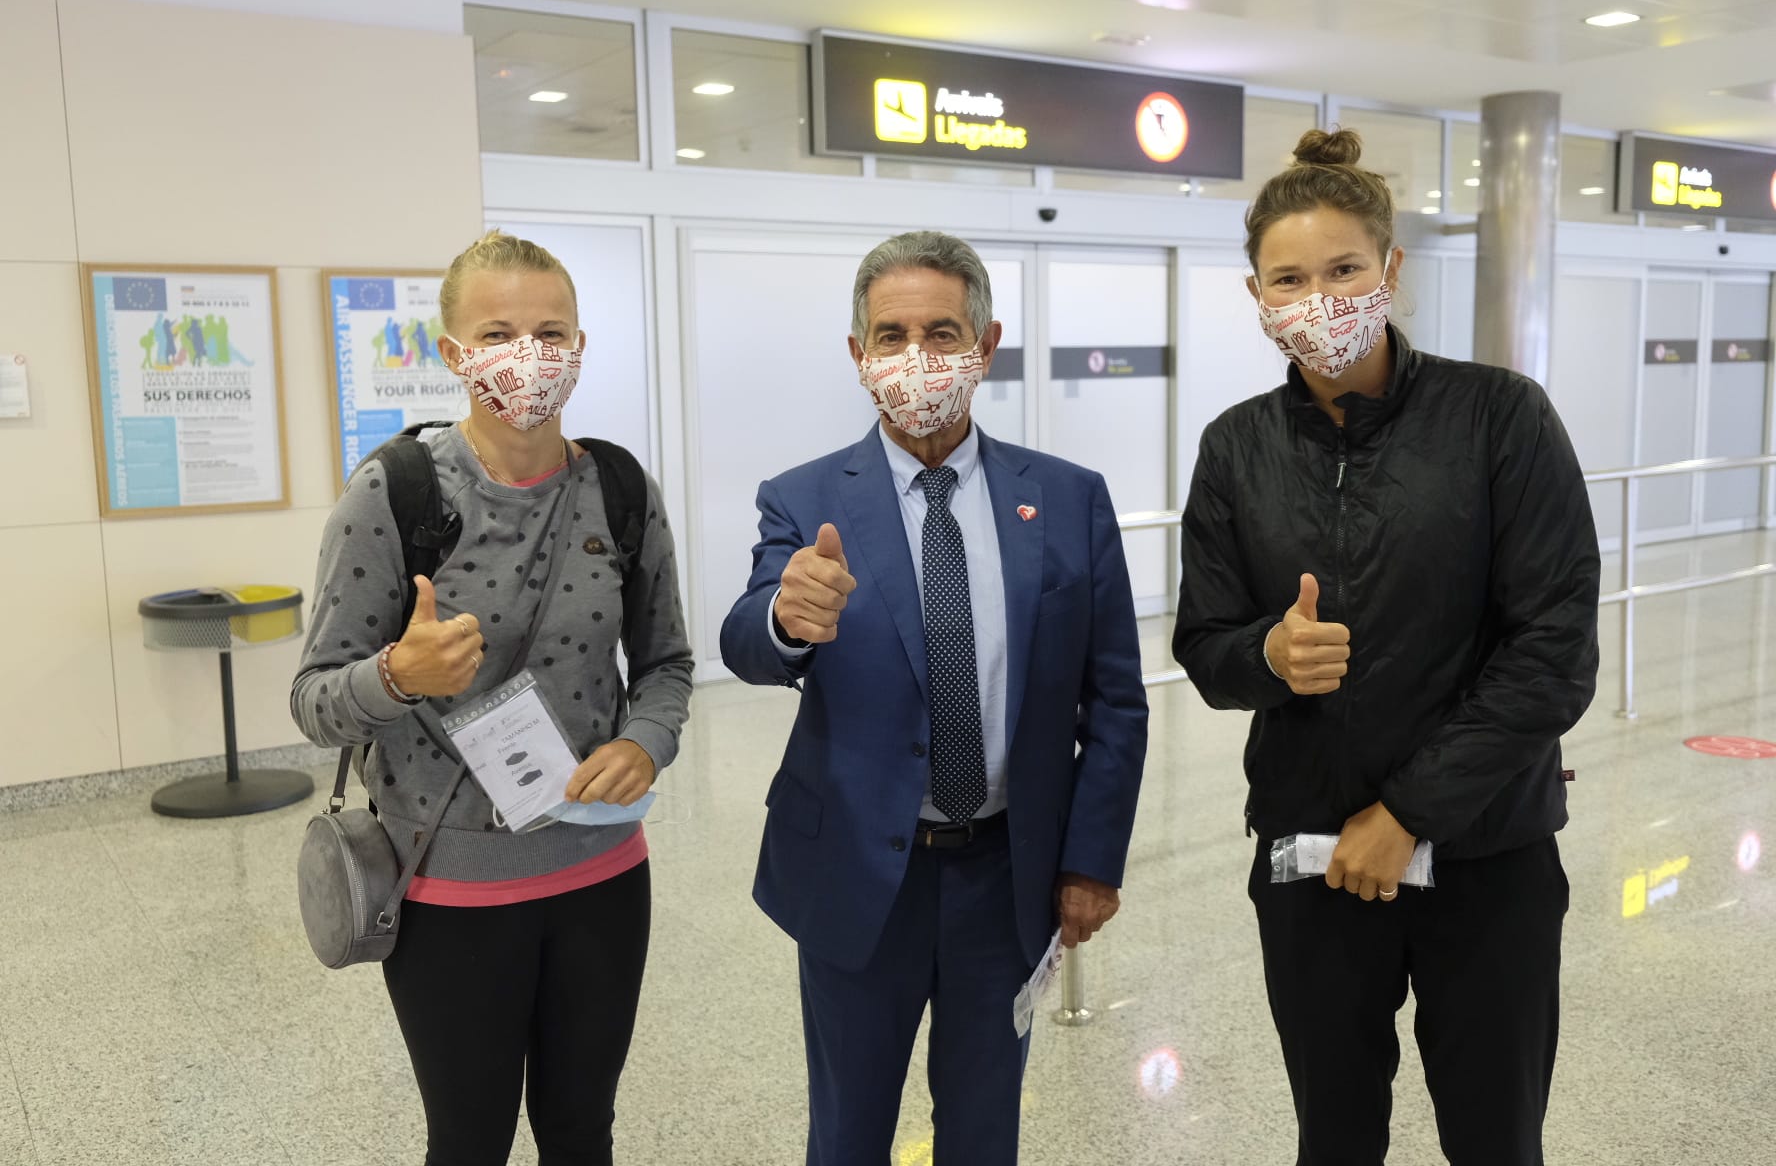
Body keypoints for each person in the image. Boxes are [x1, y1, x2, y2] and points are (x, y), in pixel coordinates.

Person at [1171, 129, 1601, 1166]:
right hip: (1312, 862)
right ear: (1257, 293)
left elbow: (1554, 652)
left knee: (1496, 1134)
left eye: (1344, 269)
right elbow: (1205, 642)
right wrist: (1266, 656)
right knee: (1335, 1136)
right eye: (1289, 277)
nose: (1317, 297)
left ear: (1391, 269)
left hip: (1487, 854)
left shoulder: (1499, 418)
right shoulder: (1237, 448)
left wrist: (1407, 813)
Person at [720, 230, 1148, 1165]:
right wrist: (789, 619)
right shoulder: (802, 497)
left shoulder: (1069, 498)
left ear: (986, 345)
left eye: (942, 332)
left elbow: (1116, 699)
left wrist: (1090, 862)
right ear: (858, 355)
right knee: (849, 1131)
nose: (917, 358)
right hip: (858, 876)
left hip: (1008, 873)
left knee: (985, 1130)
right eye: (891, 334)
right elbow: (749, 639)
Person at [291, 229, 693, 1166]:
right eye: (500, 331)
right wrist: (397, 675)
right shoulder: (392, 495)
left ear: (582, 348)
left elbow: (668, 663)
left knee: (582, 1130)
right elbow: (314, 699)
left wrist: (647, 740)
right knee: (468, 1139)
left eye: (552, 331)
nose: (530, 355)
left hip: (601, 869)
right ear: (453, 354)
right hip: (448, 887)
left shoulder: (621, 490)